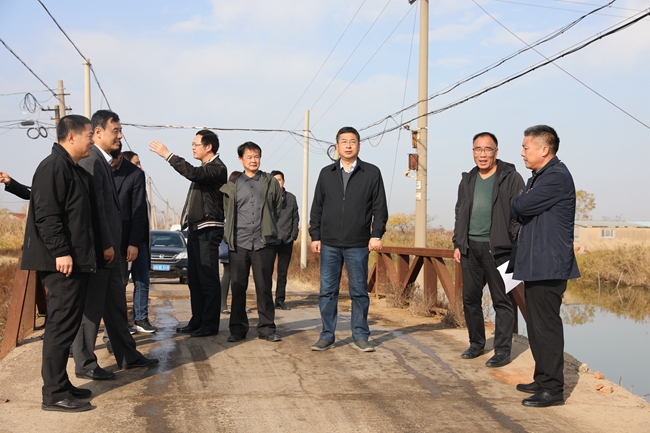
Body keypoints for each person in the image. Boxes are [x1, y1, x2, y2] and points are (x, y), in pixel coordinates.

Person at [73, 110, 158, 381]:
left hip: (113, 251)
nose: (120, 136)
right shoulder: (92, 161)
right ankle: (85, 363)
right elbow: (95, 209)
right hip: (102, 252)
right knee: (92, 308)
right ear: (98, 132)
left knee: (116, 306)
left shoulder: (103, 161)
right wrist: (106, 245)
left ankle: (127, 355)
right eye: (116, 130)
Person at [21, 114, 96, 412]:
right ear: (71, 136)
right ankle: (53, 394)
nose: (92, 141)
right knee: (60, 327)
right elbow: (47, 214)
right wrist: (61, 251)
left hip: (75, 262)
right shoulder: (53, 167)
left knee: (67, 325)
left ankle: (61, 384)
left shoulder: (71, 169)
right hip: (61, 263)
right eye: (89, 135)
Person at [509, 125, 580, 408]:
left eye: (526, 147)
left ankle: (553, 389)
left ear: (544, 149)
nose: (522, 152)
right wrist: (521, 202)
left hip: (549, 265)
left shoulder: (555, 177)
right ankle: (542, 379)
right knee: (536, 326)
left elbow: (520, 206)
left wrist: (520, 202)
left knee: (547, 326)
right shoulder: (539, 177)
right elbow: (521, 206)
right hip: (537, 263)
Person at [309, 126, 388, 352]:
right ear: (337, 146)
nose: (348, 145)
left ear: (359, 146)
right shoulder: (326, 173)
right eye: (344, 141)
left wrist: (376, 235)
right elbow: (317, 206)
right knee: (327, 292)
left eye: (352, 141)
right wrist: (315, 235)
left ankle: (360, 336)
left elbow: (380, 207)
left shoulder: (371, 173)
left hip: (358, 243)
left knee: (359, 292)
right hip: (329, 243)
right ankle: (326, 335)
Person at [452, 132, 524, 367]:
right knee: (470, 299)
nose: (482, 154)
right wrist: (458, 242)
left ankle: (502, 351)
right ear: (473, 152)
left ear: (496, 152)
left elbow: (520, 213)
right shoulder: (468, 179)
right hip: (470, 248)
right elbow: (459, 211)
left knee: (502, 301)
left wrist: (514, 243)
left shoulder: (510, 178)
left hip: (500, 250)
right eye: (478, 149)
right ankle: (476, 344)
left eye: (487, 149)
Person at [149, 130, 227, 338]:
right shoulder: (205, 168)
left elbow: (193, 173)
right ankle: (197, 321)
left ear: (208, 147)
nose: (192, 147)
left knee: (208, 278)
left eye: (196, 144)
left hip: (208, 229)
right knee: (194, 279)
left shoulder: (217, 168)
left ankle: (209, 324)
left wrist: (168, 155)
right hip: (195, 230)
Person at [220, 142, 283, 343]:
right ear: (241, 159)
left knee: (264, 287)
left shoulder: (270, 182)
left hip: (264, 242)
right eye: (249, 157)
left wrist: (268, 227)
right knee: (238, 287)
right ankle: (238, 329)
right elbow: (228, 210)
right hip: (239, 242)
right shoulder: (233, 185)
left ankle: (267, 328)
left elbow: (277, 207)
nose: (253, 160)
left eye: (256, 156)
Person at [111, 146, 154, 333]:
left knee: (142, 281)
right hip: (121, 241)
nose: (139, 166)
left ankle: (141, 318)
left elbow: (140, 217)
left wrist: (136, 242)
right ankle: (120, 323)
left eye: (140, 163)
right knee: (120, 283)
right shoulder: (114, 179)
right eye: (136, 163)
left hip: (140, 241)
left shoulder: (138, 182)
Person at [270, 170, 299, 310]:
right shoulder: (267, 197)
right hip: (270, 240)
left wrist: (293, 235)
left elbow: (295, 217)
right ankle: (266, 300)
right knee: (267, 272)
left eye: (279, 180)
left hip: (286, 240)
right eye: (274, 181)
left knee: (283, 273)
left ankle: (280, 300)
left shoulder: (291, 198)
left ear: (283, 181)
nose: (277, 183)